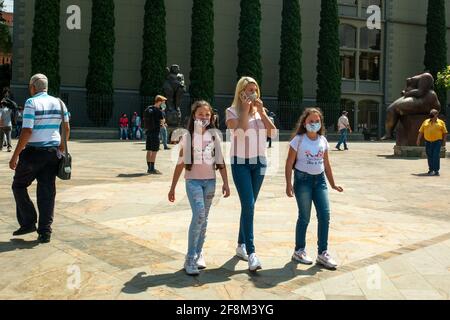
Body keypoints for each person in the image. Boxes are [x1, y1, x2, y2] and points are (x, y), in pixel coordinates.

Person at [168, 100, 230, 275]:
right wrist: (172, 187)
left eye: (207, 115)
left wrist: (225, 182)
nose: (204, 117)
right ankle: (190, 257)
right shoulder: (187, 136)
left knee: (204, 218)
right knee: (199, 214)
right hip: (193, 181)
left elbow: (220, 160)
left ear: (211, 117)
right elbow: (180, 163)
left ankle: (199, 252)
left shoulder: (214, 135)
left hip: (210, 181)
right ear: (194, 115)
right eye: (200, 114)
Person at [9, 74, 70, 244]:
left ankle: (28, 222)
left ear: (33, 87)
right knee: (47, 192)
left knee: (19, 185)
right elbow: (66, 127)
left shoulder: (31, 102)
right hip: (52, 153)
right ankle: (45, 232)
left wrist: (15, 155)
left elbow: (27, 131)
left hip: (33, 154)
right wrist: (62, 146)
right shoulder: (59, 103)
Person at [225, 76, 277, 271]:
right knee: (249, 205)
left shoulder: (261, 113)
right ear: (241, 92)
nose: (252, 93)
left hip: (259, 163)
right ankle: (252, 252)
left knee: (249, 206)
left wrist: (262, 113)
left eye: (254, 90)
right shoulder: (231, 112)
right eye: (248, 90)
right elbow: (240, 131)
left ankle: (241, 245)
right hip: (240, 163)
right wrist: (246, 110)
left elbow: (273, 133)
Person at [285, 107, 343, 269]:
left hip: (320, 181)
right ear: (304, 122)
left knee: (325, 215)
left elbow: (327, 164)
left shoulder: (323, 140)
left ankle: (322, 253)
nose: (314, 124)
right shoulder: (298, 140)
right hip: (302, 181)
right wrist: (288, 184)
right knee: (304, 217)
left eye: (317, 121)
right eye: (311, 121)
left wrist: (333, 184)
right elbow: (289, 163)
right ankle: (299, 250)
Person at [416, 109, 448, 176]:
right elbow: (421, 131)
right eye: (430, 113)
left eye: (432, 114)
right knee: (430, 156)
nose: (431, 115)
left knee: (435, 155)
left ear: (436, 114)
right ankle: (431, 169)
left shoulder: (441, 122)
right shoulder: (425, 121)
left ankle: (436, 170)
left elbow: (445, 133)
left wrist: (444, 142)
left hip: (437, 142)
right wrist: (418, 140)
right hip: (428, 142)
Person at [144, 95, 166, 174]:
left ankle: (149, 168)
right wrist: (163, 122)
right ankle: (152, 169)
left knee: (149, 150)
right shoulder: (159, 111)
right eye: (163, 102)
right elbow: (162, 122)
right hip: (155, 133)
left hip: (148, 132)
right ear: (159, 101)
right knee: (154, 151)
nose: (164, 103)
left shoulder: (148, 108)